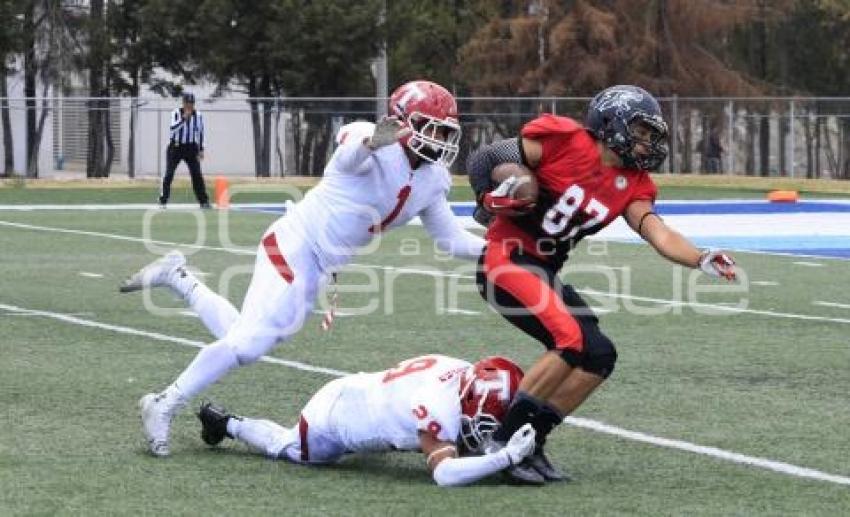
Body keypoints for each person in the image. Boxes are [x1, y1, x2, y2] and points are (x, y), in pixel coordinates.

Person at [123, 80, 486, 457]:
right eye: (434, 127)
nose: (442, 138)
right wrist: (375, 141)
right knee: (247, 344)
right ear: (402, 121)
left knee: (242, 335)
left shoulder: (432, 178)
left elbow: (451, 239)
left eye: (446, 130)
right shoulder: (367, 139)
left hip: (317, 263)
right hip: (295, 244)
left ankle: (178, 277)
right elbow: (349, 156)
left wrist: (502, 249)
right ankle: (164, 402)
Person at [466, 85, 738, 484]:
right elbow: (486, 158)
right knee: (570, 340)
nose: (647, 143)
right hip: (504, 259)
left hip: (542, 268)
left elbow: (658, 233)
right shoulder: (564, 140)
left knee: (598, 355)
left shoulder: (633, 183)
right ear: (611, 123)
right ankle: (502, 443)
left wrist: (700, 258)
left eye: (650, 135)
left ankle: (531, 442)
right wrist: (487, 198)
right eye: (641, 131)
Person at [196, 354, 536, 487]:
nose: (489, 428)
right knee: (286, 447)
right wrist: (505, 457)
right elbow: (445, 475)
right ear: (468, 398)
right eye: (487, 421)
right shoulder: (437, 404)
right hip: (334, 420)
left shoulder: (462, 373)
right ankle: (226, 424)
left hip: (361, 389)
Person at [160, 92, 210, 208]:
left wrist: (201, 149)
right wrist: (183, 119)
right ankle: (163, 200)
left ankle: (203, 201)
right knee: (169, 174)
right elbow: (172, 129)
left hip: (191, 147)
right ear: (183, 103)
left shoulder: (198, 115)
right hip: (176, 147)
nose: (189, 106)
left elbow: (200, 132)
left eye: (191, 103)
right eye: (187, 103)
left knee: (197, 174)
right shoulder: (176, 113)